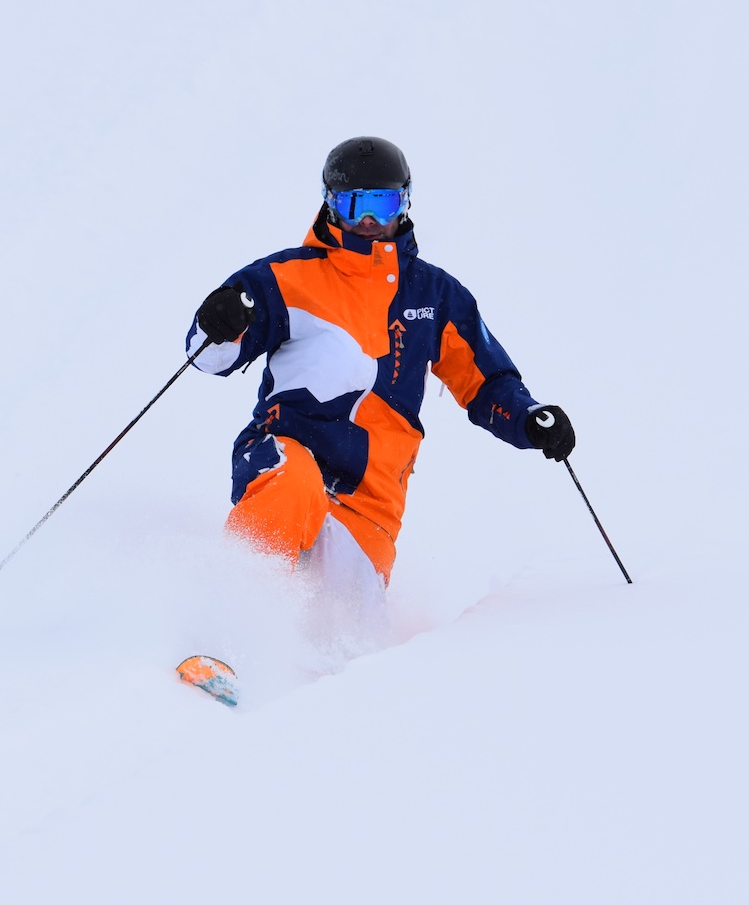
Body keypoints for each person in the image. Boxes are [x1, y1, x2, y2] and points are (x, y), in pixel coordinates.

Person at [187, 136, 574, 604]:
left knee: (343, 621)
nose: (368, 220)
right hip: (285, 457)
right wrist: (218, 322)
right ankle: (229, 616)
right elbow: (208, 355)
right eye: (354, 205)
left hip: (370, 503)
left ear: (405, 203)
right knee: (292, 484)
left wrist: (528, 418)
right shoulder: (284, 279)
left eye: (382, 204)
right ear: (330, 203)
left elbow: (485, 381)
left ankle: (305, 652)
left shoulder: (434, 296)